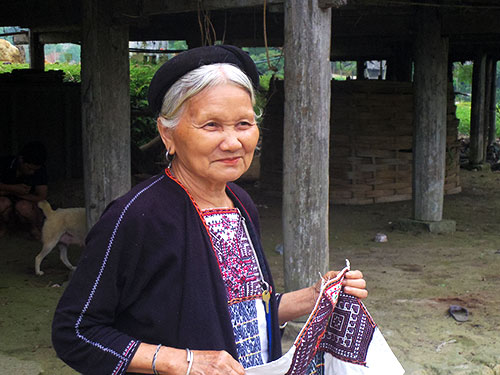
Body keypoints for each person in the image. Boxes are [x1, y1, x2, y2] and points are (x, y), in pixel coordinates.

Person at [51, 45, 368, 375]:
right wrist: (182, 361)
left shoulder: (241, 204)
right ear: (167, 133)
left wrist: (317, 297)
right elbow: (74, 332)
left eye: (244, 123)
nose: (233, 142)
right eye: (212, 125)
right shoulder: (137, 216)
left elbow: (242, 312)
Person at [0, 141, 48, 239]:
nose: (32, 172)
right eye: (29, 168)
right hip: (6, 202)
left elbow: (41, 197)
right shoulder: (4, 164)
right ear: (21, 160)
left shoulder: (40, 171)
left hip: (26, 202)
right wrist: (13, 188)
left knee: (23, 207)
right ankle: (3, 228)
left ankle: (34, 229)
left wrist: (20, 194)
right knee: (2, 203)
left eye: (34, 170)